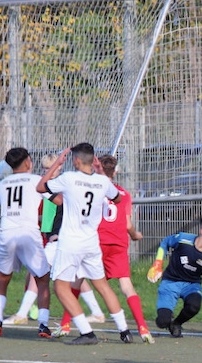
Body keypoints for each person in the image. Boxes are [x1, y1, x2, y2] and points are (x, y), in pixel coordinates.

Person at [36, 142, 133, 345]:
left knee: (61, 287)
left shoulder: (69, 178)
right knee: (102, 286)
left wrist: (56, 164)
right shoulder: (102, 181)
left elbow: (41, 187)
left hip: (70, 243)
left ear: (76, 160)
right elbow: (116, 200)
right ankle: (125, 330)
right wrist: (100, 174)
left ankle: (87, 332)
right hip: (91, 242)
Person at [0, 147, 53, 338]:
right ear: (27, 162)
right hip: (29, 234)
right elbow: (57, 200)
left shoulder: (2, 184)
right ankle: (43, 325)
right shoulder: (35, 180)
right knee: (42, 279)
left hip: (7, 233)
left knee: (2, 279)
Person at [96, 154, 154, 343]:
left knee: (78, 279)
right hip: (118, 243)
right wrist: (135, 235)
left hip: (97, 242)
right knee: (126, 285)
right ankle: (143, 328)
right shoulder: (125, 194)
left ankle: (65, 325)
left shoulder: (94, 189)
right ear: (115, 172)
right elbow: (128, 224)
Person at [147, 215, 202, 339]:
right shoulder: (183, 239)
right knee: (162, 322)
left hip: (191, 286)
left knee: (194, 305)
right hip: (170, 282)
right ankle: (168, 320)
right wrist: (157, 263)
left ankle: (177, 323)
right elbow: (165, 242)